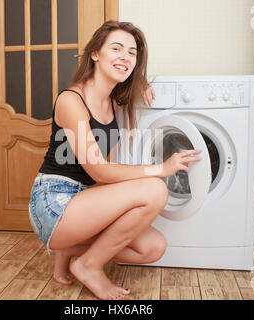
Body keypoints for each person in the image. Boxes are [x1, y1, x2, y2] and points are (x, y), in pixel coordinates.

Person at [28, 20, 202, 300]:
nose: (125, 57)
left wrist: (141, 82)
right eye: (117, 48)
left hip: (83, 202)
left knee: (153, 248)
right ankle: (89, 265)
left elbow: (125, 80)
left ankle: (69, 250)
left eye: (132, 53)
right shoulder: (71, 100)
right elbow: (99, 170)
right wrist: (162, 168)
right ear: (95, 53)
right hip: (53, 203)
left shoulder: (113, 99)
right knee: (156, 188)